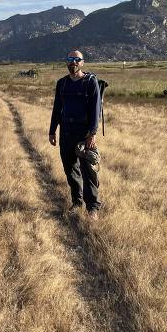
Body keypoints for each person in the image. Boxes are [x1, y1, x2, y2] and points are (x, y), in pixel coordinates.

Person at [48, 50, 102, 218]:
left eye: (77, 59)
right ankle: (77, 202)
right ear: (67, 62)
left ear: (82, 62)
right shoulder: (62, 83)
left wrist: (92, 133)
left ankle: (92, 207)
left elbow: (95, 110)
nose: (73, 62)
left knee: (88, 171)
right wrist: (52, 131)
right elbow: (57, 108)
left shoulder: (90, 82)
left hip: (84, 134)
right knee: (70, 170)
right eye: (70, 59)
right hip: (66, 133)